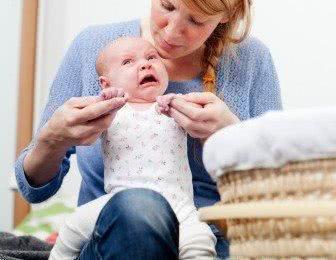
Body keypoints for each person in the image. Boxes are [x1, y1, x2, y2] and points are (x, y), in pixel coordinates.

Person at [14, 0, 282, 258]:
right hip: (111, 240)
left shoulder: (251, 61)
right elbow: (35, 190)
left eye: (196, 20)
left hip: (210, 244)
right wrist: (52, 140)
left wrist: (231, 134)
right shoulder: (94, 47)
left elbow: (280, 193)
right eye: (167, 6)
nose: (172, 31)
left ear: (226, 14)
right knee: (139, 205)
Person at [49, 36, 217, 259]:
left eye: (151, 57)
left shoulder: (174, 107)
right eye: (128, 62)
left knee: (201, 242)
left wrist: (182, 104)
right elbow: (85, 127)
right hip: (119, 201)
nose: (145, 64)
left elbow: (203, 124)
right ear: (106, 84)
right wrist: (104, 102)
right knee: (72, 226)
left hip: (178, 204)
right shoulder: (111, 112)